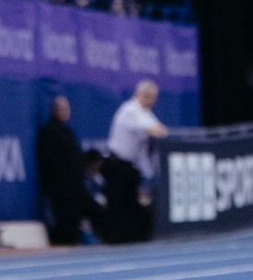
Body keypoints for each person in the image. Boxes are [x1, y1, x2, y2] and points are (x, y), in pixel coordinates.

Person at [104, 79, 168, 244]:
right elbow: (154, 130)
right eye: (148, 97)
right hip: (116, 165)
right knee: (118, 208)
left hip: (129, 167)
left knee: (131, 207)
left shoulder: (145, 112)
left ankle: (127, 242)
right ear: (139, 94)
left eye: (153, 98)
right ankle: (113, 243)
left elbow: (162, 129)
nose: (151, 101)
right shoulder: (130, 110)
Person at [36, 96, 92, 248]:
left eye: (67, 109)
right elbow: (48, 161)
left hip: (74, 187)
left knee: (74, 220)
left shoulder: (68, 131)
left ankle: (72, 243)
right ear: (54, 111)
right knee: (62, 221)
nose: (65, 112)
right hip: (59, 188)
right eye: (61, 109)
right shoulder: (48, 132)